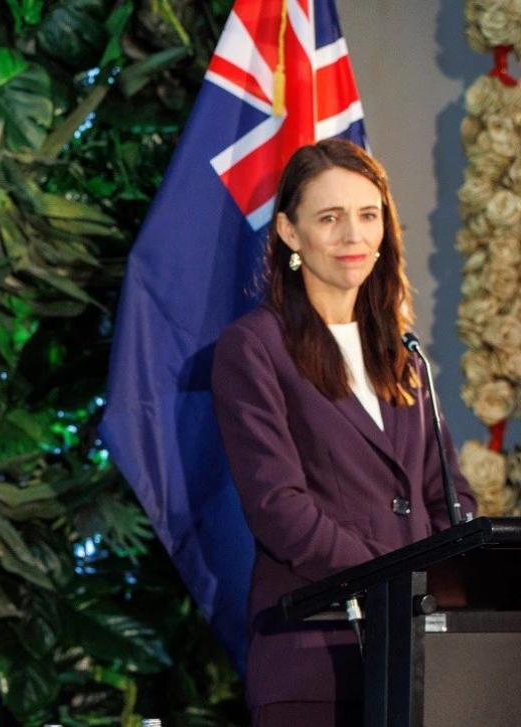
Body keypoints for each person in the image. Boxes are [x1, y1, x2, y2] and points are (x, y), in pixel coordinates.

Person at [211, 139, 476, 727]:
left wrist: (442, 583)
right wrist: (394, 580)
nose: (353, 236)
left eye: (368, 214)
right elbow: (280, 509)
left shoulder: (402, 355)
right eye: (329, 219)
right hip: (315, 658)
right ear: (289, 232)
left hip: (422, 658)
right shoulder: (254, 348)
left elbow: (450, 497)